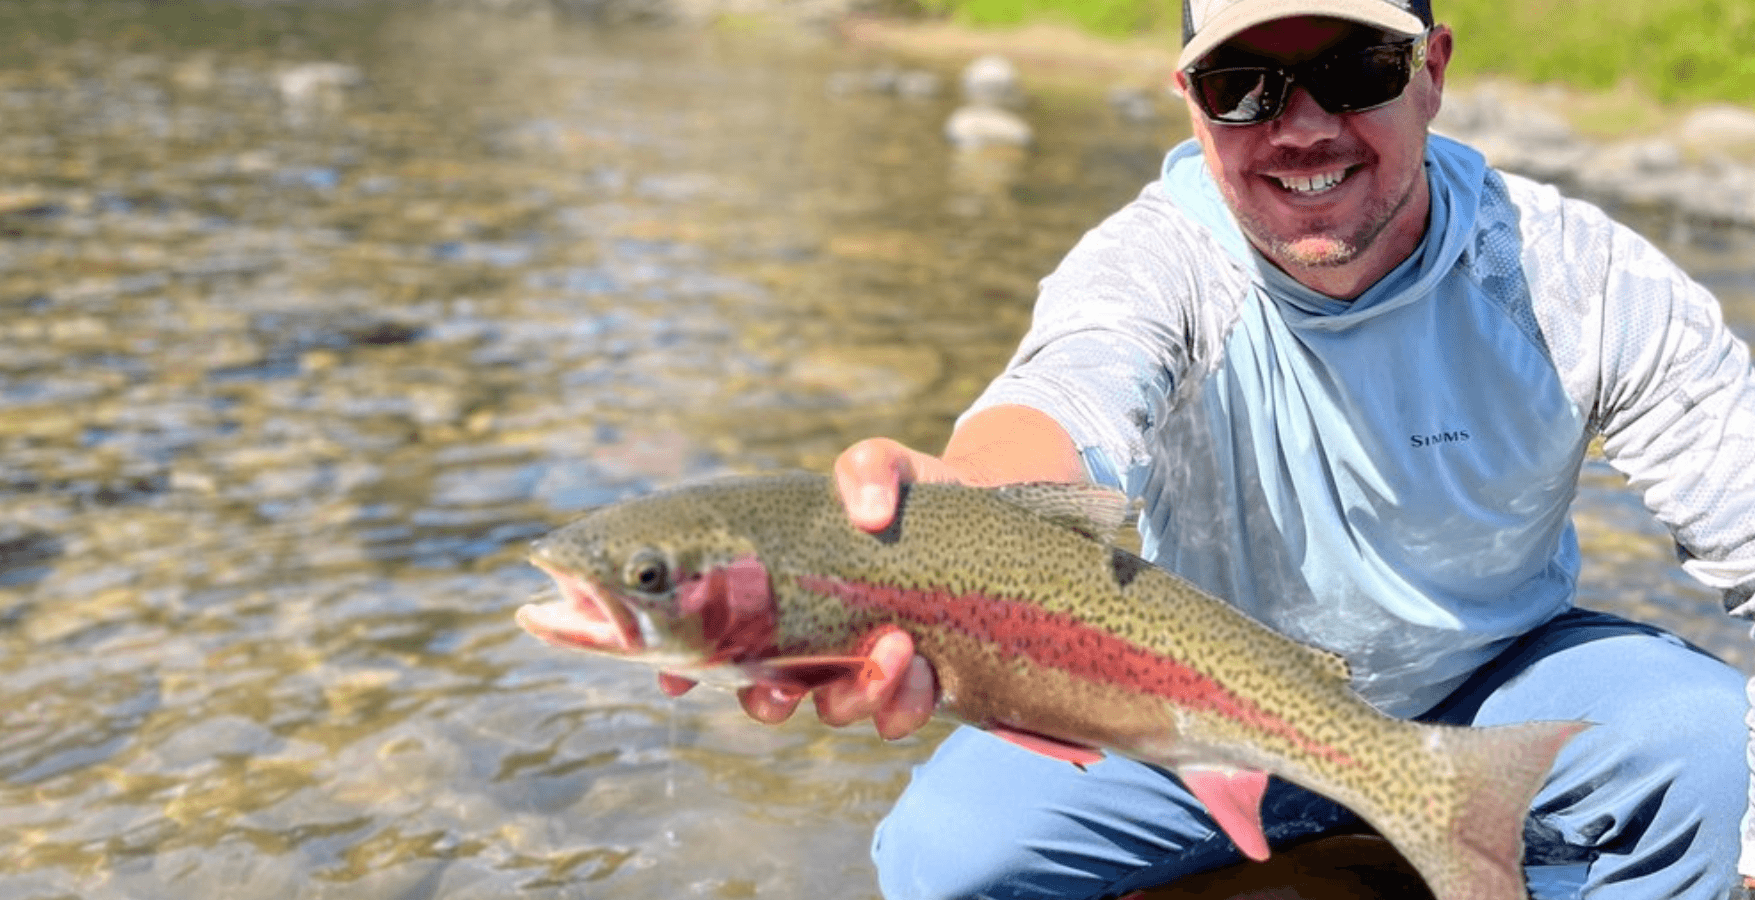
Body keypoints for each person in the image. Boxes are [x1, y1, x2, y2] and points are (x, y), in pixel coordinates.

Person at [674, 0, 1755, 896]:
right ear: (1192, 104)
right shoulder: (1155, 264)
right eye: (1247, 85)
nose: (1303, 127)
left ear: (1433, 70)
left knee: (1706, 749)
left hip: (1486, 676)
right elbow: (1059, 405)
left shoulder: (1574, 277)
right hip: (1190, 701)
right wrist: (956, 509)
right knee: (946, 863)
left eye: (1357, 68)